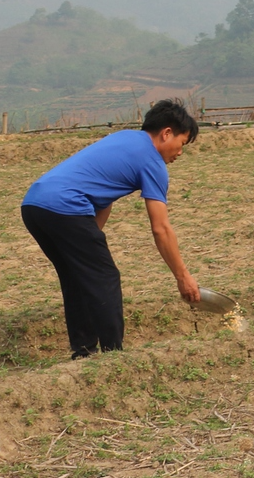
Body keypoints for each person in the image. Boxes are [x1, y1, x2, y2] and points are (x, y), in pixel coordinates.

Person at [21, 99, 203, 359]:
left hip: (34, 205)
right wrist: (182, 276)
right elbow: (161, 228)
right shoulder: (153, 162)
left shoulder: (124, 138)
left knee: (78, 277)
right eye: (182, 144)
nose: (180, 152)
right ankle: (113, 356)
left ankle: (84, 353)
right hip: (65, 207)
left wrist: (90, 243)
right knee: (104, 277)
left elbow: (101, 198)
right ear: (166, 133)